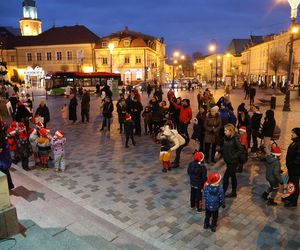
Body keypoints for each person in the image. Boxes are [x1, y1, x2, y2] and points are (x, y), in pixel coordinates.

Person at [222, 123, 244, 198]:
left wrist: (233, 156)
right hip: (228, 161)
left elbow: (241, 150)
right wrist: (220, 150)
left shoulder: (235, 138)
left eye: (226, 130)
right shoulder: (225, 137)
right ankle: (234, 193)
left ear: (230, 131)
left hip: (233, 162)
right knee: (233, 176)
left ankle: (222, 193)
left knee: (225, 177)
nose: (224, 132)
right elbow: (226, 147)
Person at [283, 128, 300, 207]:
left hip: (295, 170)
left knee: (294, 184)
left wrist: (292, 165)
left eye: (293, 133)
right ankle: (290, 196)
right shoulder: (295, 142)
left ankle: (294, 201)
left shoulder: (299, 144)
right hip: (291, 169)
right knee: (291, 184)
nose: (292, 134)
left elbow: (298, 158)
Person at [0, 123, 14, 190]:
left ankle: (7, 186)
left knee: (3, 169)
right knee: (4, 170)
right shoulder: (2, 132)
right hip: (4, 154)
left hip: (2, 155)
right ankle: (9, 185)